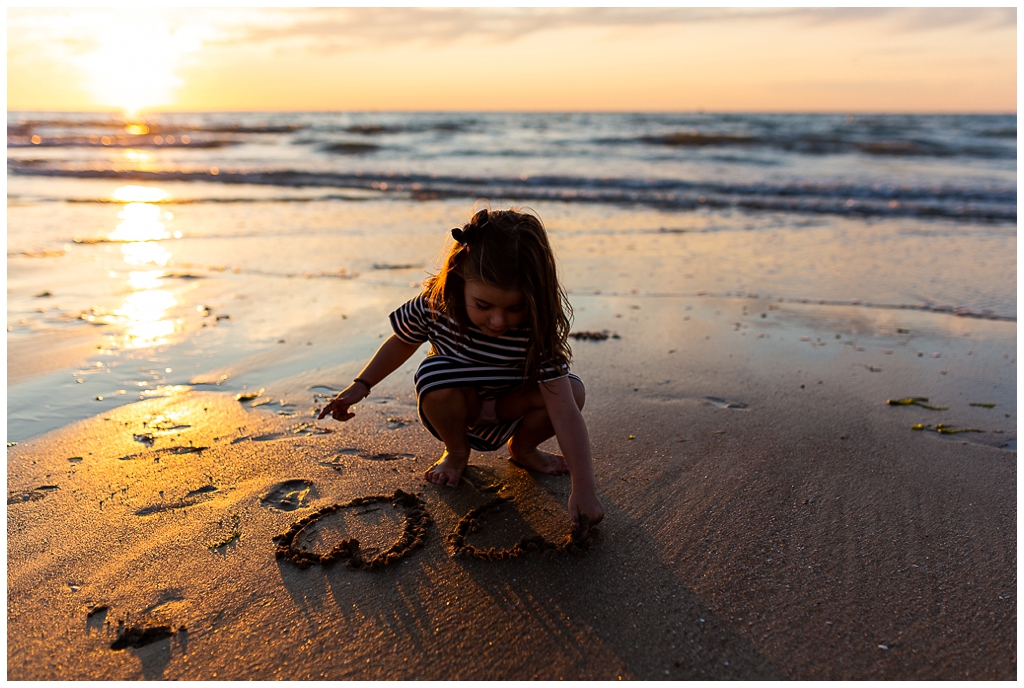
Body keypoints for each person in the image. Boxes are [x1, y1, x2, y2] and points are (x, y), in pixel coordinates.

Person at [318, 207, 604, 534]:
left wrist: (584, 489)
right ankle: (455, 452)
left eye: (514, 308)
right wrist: (361, 385)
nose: (498, 321)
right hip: (458, 406)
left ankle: (523, 449)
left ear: (535, 296)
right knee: (433, 373)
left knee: (572, 389)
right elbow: (402, 342)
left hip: (511, 406)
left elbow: (565, 412)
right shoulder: (436, 305)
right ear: (459, 280)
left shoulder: (537, 328)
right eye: (484, 306)